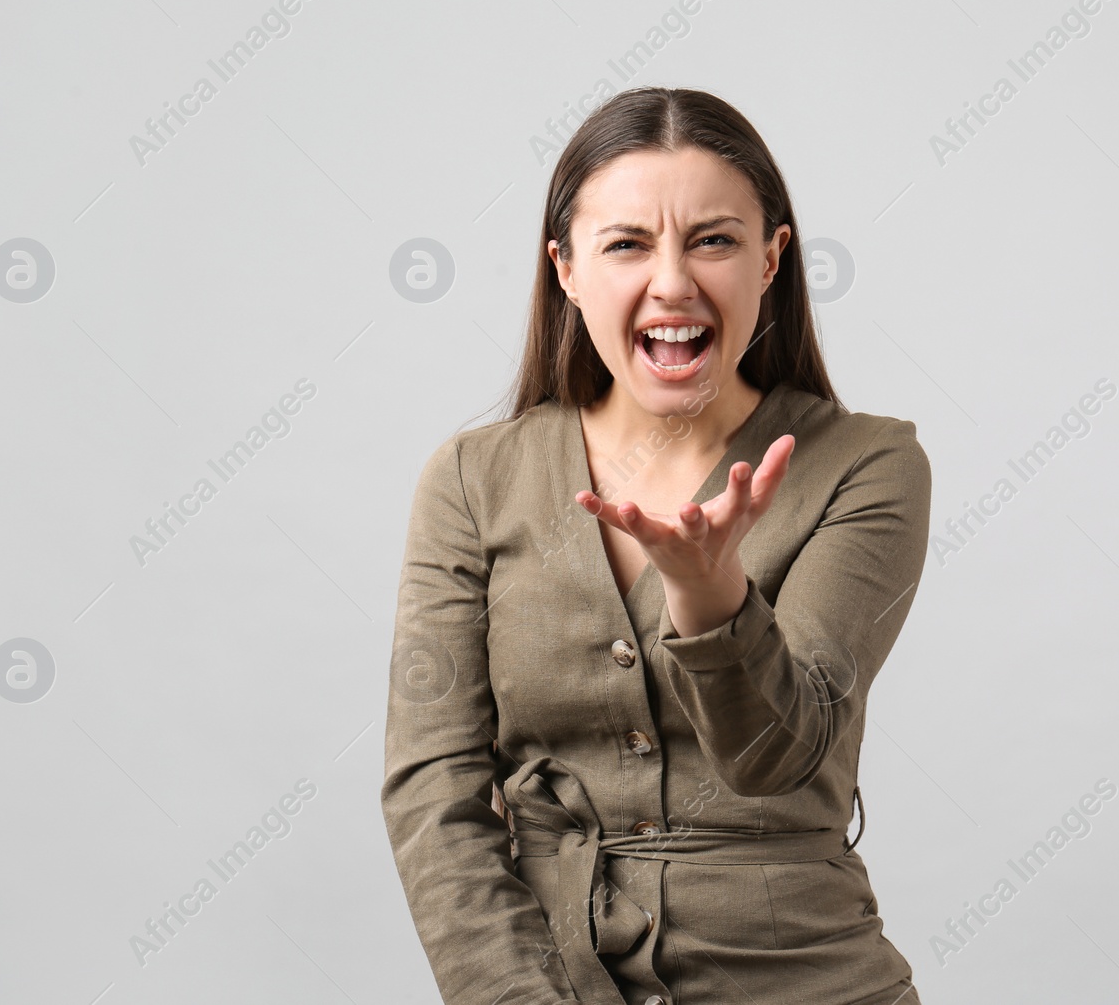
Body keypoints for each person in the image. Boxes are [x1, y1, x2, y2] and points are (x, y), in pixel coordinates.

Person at [381, 86, 932, 1004]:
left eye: (713, 239)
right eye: (628, 243)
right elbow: (433, 792)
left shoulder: (867, 464)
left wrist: (714, 600)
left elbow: (780, 754)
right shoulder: (473, 480)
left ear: (772, 259)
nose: (672, 281)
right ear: (565, 267)